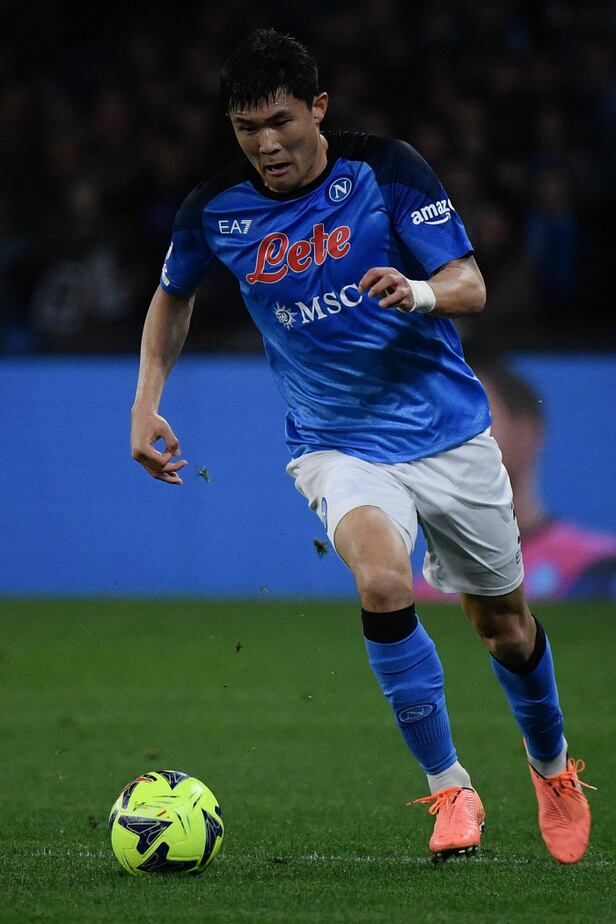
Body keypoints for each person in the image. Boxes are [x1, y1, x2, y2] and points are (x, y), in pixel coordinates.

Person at [130, 28, 593, 864]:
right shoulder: (214, 210)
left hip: (448, 436)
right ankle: (450, 788)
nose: (266, 144)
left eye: (280, 121)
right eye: (246, 128)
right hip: (337, 444)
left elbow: (470, 284)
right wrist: (145, 402)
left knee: (504, 628)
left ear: (318, 108)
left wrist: (416, 291)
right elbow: (173, 296)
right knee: (382, 582)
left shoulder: (386, 170)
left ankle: (552, 766)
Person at [475, 359, 616, 599]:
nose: (455, 443)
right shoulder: (426, 589)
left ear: (526, 434)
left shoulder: (596, 568)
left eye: (475, 422)